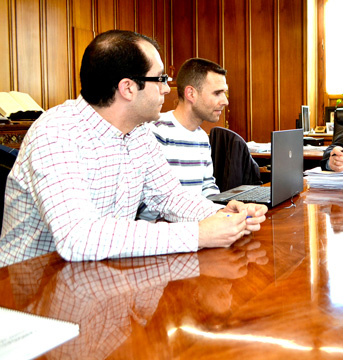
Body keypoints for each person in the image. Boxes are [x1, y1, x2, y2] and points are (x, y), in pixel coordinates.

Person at [0, 30, 266, 267]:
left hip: (101, 275)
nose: (166, 89)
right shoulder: (56, 133)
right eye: (160, 78)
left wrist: (224, 215)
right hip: (31, 291)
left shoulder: (138, 133)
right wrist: (198, 234)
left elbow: (169, 197)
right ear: (127, 87)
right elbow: (78, 237)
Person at [138, 58, 227, 221]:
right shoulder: (155, 132)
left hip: (197, 224)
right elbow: (148, 206)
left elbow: (207, 189)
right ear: (191, 94)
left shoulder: (202, 137)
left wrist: (223, 212)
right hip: (167, 233)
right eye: (217, 93)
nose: (225, 101)